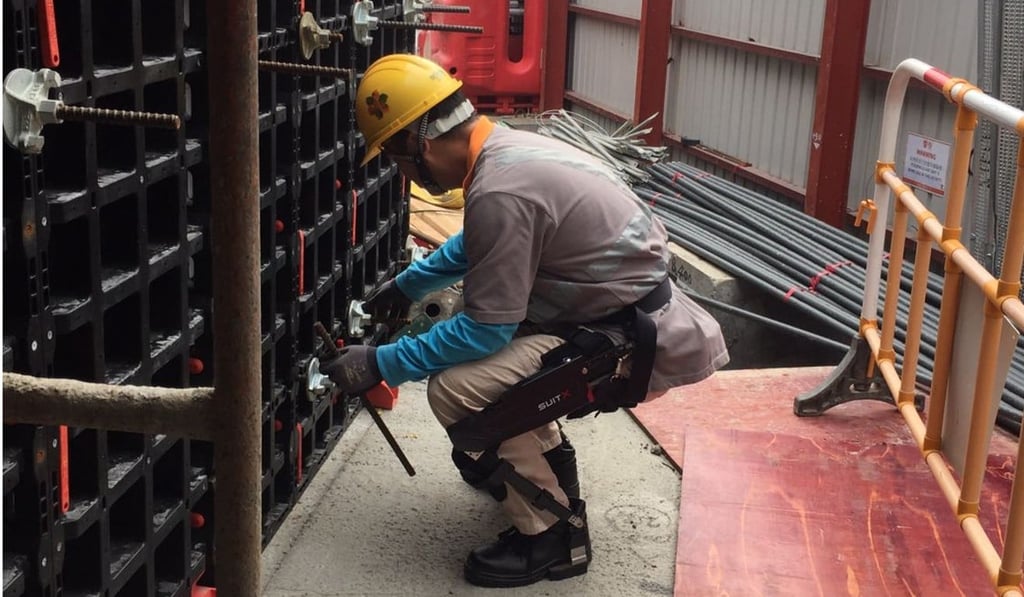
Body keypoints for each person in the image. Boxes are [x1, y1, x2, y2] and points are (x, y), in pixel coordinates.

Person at [319, 53, 729, 588]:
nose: (402, 175)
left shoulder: (501, 187)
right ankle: (549, 472)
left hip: (624, 337)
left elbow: (487, 330)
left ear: (418, 145)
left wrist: (381, 363)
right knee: (485, 374)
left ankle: (554, 537)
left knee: (459, 390)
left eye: (397, 162)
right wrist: (409, 284)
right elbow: (479, 241)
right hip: (618, 317)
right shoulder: (508, 151)